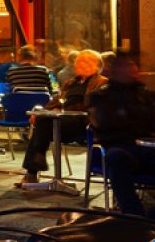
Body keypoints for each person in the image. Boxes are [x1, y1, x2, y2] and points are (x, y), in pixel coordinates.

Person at [86, 54, 155, 217]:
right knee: (116, 158)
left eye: (132, 65)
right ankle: (134, 216)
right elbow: (105, 124)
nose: (130, 69)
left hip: (151, 148)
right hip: (122, 146)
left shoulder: (148, 95)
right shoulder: (101, 96)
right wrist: (141, 118)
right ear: (115, 71)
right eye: (125, 66)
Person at [21, 49, 107, 184]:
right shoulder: (70, 82)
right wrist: (41, 111)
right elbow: (55, 101)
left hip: (82, 123)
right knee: (42, 121)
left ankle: (32, 170)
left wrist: (64, 109)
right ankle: (36, 165)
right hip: (61, 121)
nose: (80, 64)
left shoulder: (102, 83)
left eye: (85, 62)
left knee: (42, 124)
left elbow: (93, 106)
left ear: (98, 66)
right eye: (78, 61)